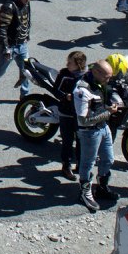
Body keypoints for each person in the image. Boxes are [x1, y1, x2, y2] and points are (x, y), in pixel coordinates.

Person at [74, 59, 119, 212]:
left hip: (103, 127)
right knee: (87, 163)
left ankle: (102, 187)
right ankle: (85, 192)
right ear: (96, 72)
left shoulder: (98, 83)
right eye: (106, 77)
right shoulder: (82, 91)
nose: (109, 80)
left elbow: (98, 106)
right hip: (90, 133)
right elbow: (84, 120)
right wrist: (108, 113)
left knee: (108, 159)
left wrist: (108, 108)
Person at [53, 50, 88, 178]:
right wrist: (65, 96)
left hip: (80, 114)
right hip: (66, 112)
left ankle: (80, 164)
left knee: (81, 140)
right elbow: (56, 90)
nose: (67, 64)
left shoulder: (87, 76)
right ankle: (66, 166)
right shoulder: (64, 74)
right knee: (67, 141)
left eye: (70, 62)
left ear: (79, 64)